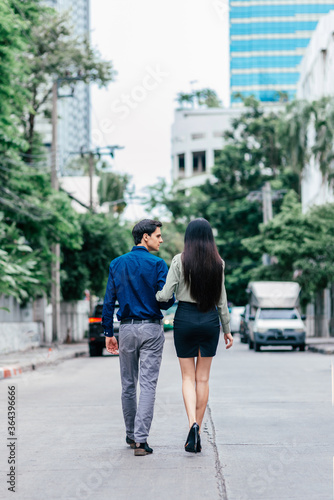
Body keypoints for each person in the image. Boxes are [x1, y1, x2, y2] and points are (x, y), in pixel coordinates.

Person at [156, 218, 233, 453]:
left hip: (185, 319)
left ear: (188, 237)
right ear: (210, 237)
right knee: (203, 379)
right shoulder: (218, 263)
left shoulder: (179, 260)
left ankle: (192, 424)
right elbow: (222, 300)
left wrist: (157, 295)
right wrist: (227, 330)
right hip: (209, 321)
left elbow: (165, 294)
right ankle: (197, 429)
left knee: (187, 378)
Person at [102, 219, 174, 456]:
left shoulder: (117, 263)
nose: (161, 240)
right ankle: (141, 441)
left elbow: (109, 300)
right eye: (158, 235)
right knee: (148, 385)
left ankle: (131, 435)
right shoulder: (157, 264)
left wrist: (107, 333)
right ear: (145, 237)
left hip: (126, 329)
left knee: (128, 385)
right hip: (152, 329)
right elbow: (166, 299)